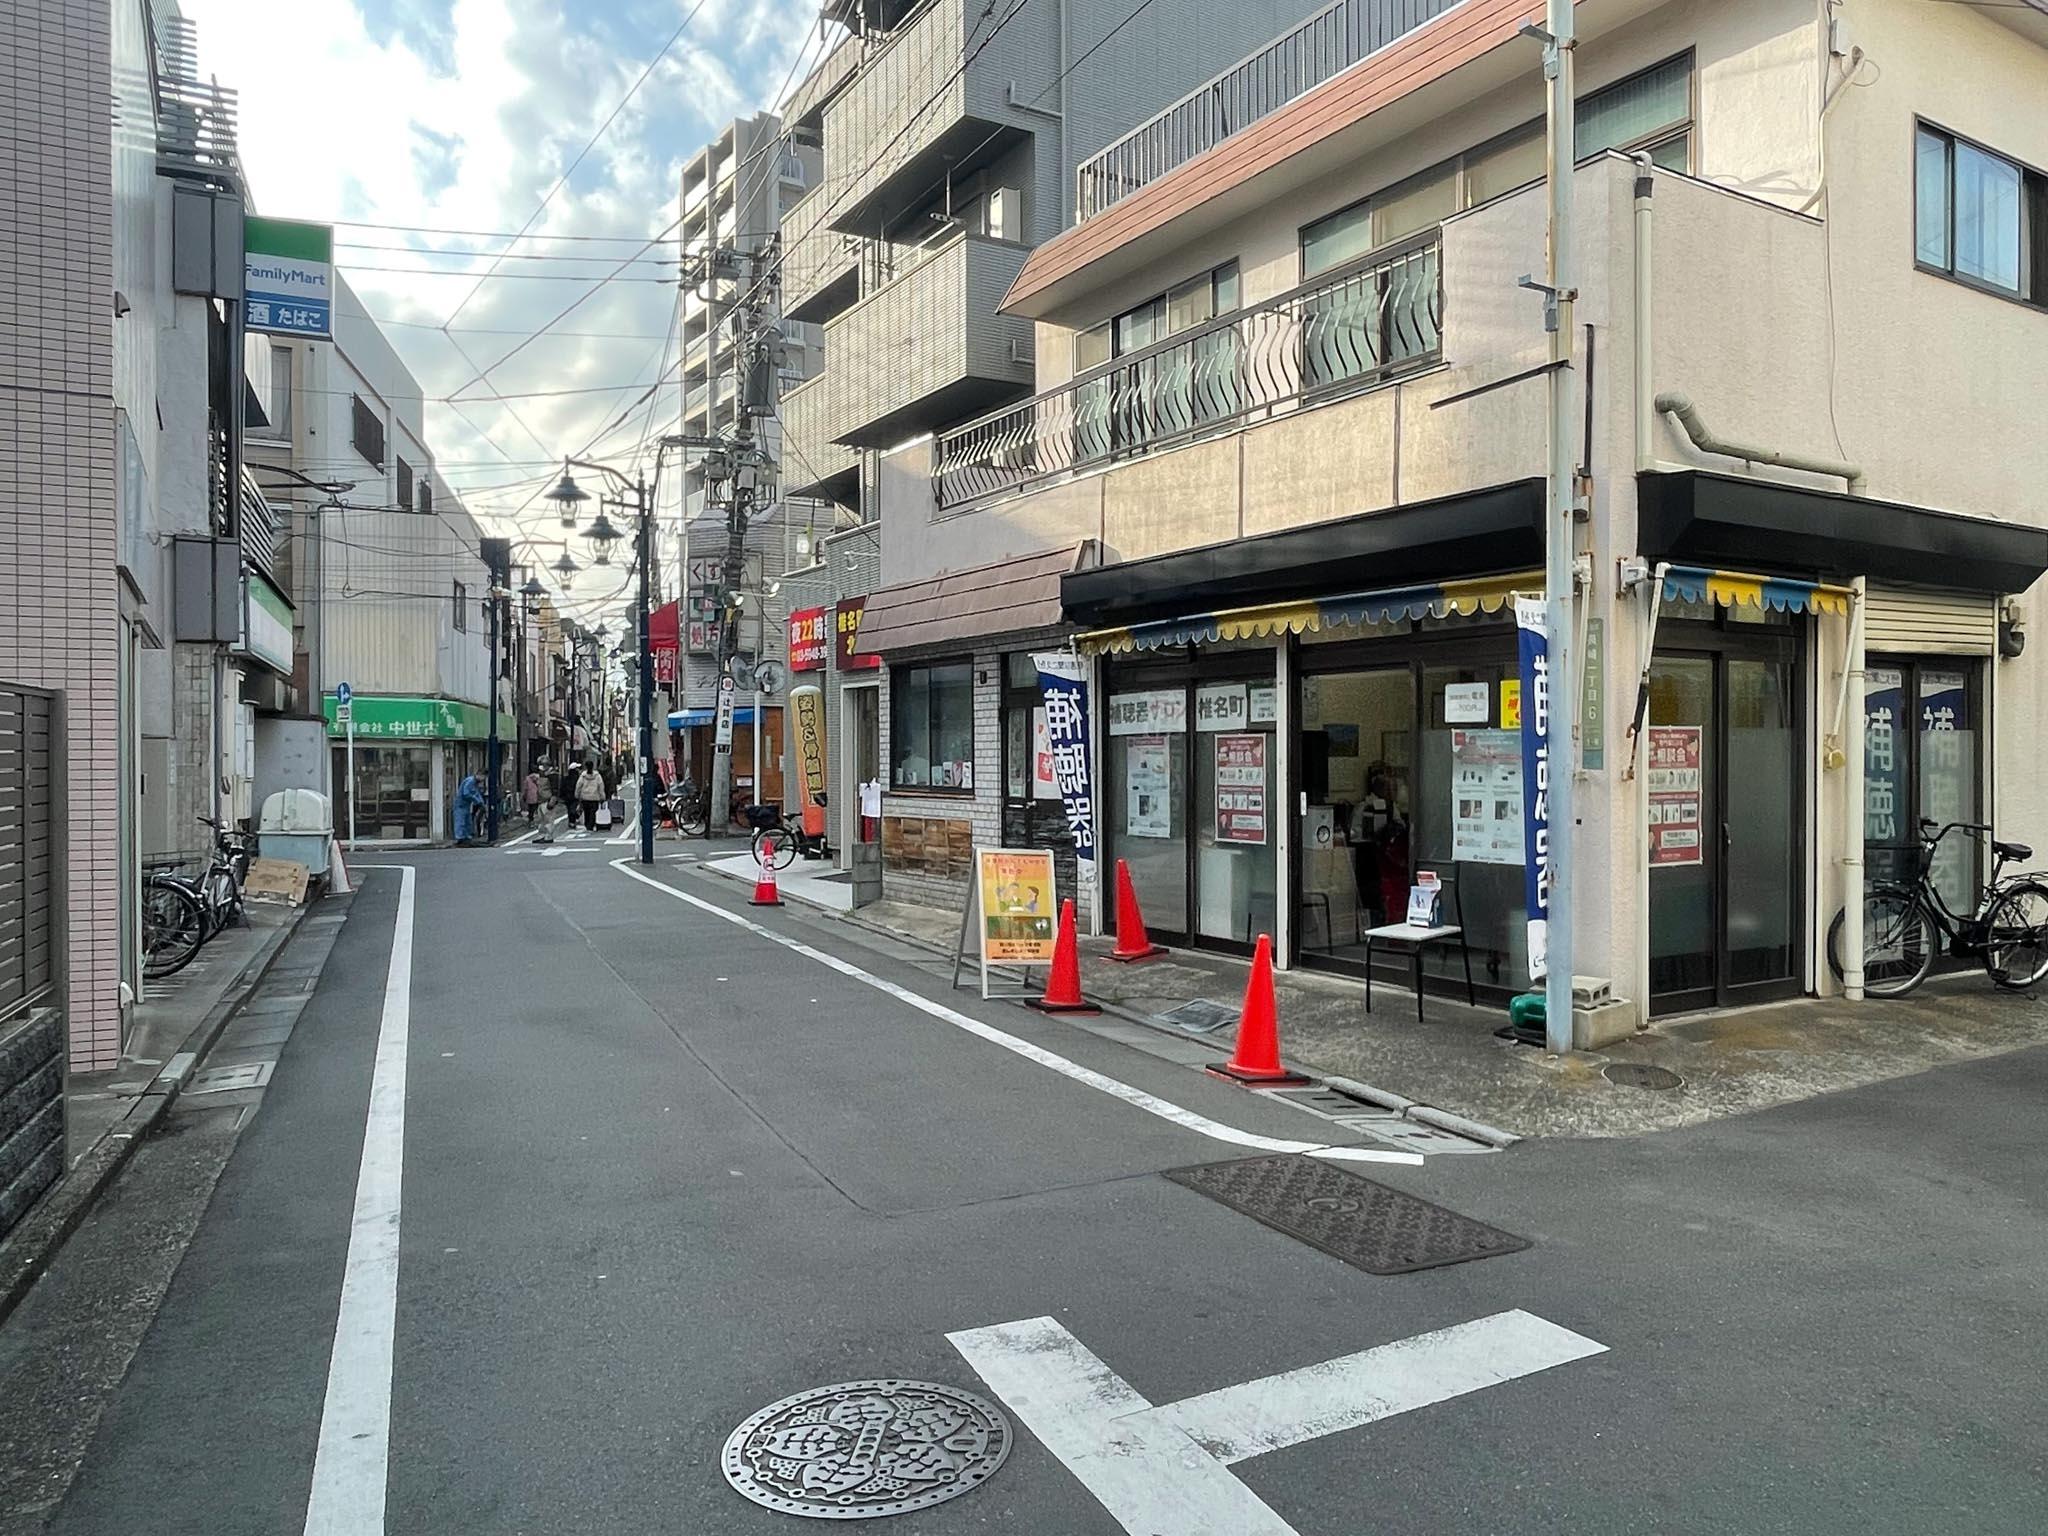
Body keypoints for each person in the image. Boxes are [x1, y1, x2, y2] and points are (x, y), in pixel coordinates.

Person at [454, 767, 489, 846]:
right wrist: (477, 801)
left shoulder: (474, 783)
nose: (483, 780)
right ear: (479, 775)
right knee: (461, 821)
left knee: (467, 821)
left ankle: (466, 837)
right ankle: (460, 838)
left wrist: (481, 802)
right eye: (484, 777)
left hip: (466, 805)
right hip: (461, 804)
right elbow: (466, 793)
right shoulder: (470, 781)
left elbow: (476, 793)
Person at [575, 760, 606, 832]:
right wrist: (602, 797)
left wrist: (577, 795)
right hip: (595, 797)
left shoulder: (583, 776)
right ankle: (591, 825)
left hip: (585, 797)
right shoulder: (597, 776)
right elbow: (601, 786)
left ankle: (587, 824)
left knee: (586, 812)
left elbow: (578, 786)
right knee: (593, 812)